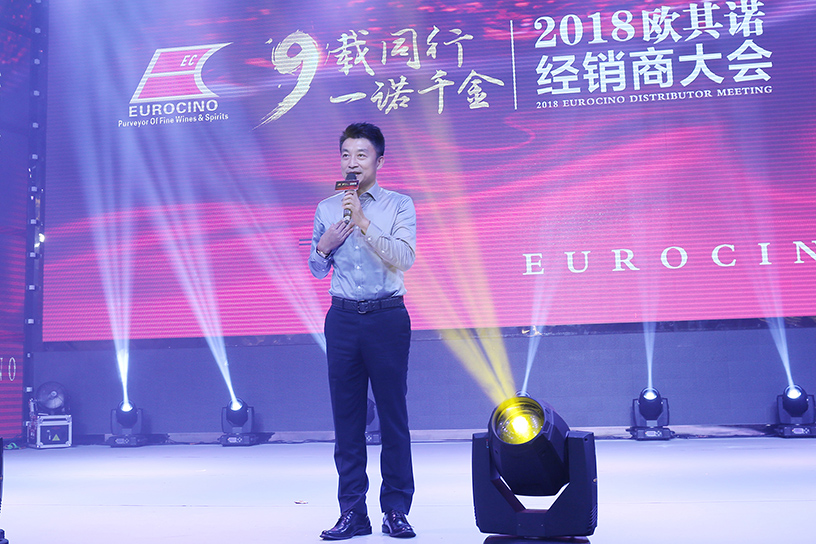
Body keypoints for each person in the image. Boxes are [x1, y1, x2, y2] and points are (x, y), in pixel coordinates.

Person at [308, 122, 417, 540]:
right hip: (342, 319)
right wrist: (324, 246)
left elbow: (404, 258)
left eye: (361, 155)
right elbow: (317, 269)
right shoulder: (326, 209)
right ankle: (352, 511)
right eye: (346, 155)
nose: (352, 163)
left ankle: (396, 509)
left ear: (379, 161)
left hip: (387, 317)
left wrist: (364, 223)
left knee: (392, 417)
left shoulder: (398, 205)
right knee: (347, 420)